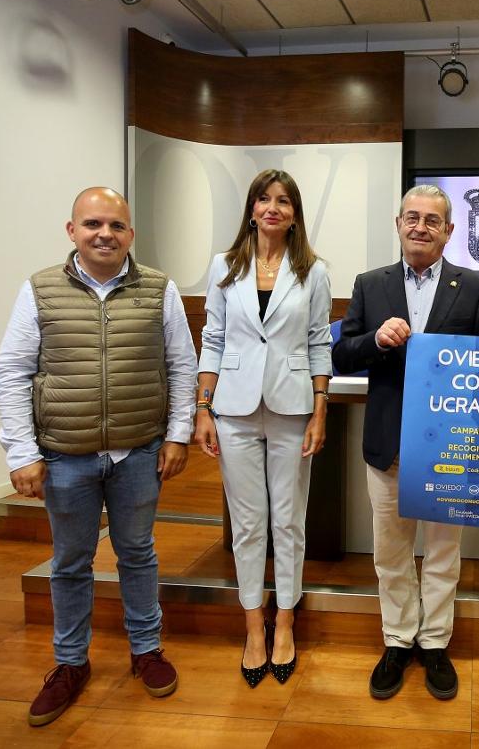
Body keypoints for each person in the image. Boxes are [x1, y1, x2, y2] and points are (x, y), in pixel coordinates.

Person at [0, 187, 196, 727]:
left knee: (137, 553)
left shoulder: (159, 289)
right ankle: (69, 664)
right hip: (64, 456)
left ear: (131, 233)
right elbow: (12, 371)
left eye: (116, 225)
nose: (104, 234)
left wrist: (177, 435)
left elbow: (182, 366)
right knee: (69, 563)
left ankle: (145, 649)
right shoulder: (39, 289)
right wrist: (21, 450)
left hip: (138, 452)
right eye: (92, 224)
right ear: (72, 230)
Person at [332, 184, 479, 701]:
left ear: (449, 231)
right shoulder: (369, 284)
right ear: (398, 222)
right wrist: (376, 341)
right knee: (391, 549)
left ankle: (435, 642)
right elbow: (343, 355)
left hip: (450, 445)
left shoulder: (473, 287)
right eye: (412, 217)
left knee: (445, 550)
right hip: (389, 442)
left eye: (432, 220)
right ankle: (398, 639)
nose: (420, 226)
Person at [191, 169, 332, 687]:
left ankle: (287, 622)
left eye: (284, 200)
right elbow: (214, 338)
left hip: (294, 407)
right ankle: (255, 626)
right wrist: (203, 408)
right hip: (235, 408)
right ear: (251, 208)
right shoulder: (225, 267)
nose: (273, 207)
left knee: (290, 521)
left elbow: (320, 342)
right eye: (264, 199)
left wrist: (320, 408)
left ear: (294, 212)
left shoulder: (313, 271)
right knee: (249, 525)